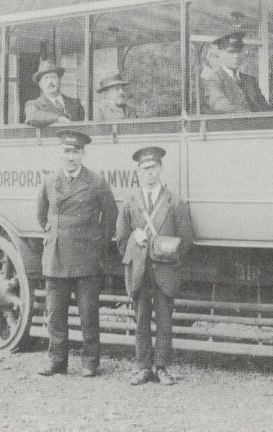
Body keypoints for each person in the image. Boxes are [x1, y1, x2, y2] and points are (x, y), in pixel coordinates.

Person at [36, 129, 118, 377]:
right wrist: (53, 233)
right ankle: (56, 360)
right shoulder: (50, 181)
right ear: (61, 153)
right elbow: (41, 215)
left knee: (88, 314)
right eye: (67, 151)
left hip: (86, 258)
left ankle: (90, 362)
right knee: (55, 315)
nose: (71, 157)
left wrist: (97, 243)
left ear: (83, 154)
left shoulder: (96, 182)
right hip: (56, 257)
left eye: (76, 152)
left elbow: (111, 215)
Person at [116, 146, 194, 385]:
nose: (149, 173)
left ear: (160, 168)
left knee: (164, 320)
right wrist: (134, 240)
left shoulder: (175, 202)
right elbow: (120, 238)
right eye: (144, 169)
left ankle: (162, 367)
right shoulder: (130, 202)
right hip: (140, 270)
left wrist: (167, 253)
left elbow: (186, 239)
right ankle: (142, 367)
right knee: (140, 319)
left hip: (165, 270)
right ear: (138, 171)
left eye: (153, 168)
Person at [201, 31, 273, 114]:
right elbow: (219, 104)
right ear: (221, 53)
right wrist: (249, 115)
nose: (236, 56)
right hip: (230, 125)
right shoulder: (213, 79)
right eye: (231, 52)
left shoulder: (250, 80)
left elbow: (265, 107)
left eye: (239, 51)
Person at [25, 60, 85, 127]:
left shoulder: (75, 103)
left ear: (59, 80)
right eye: (46, 78)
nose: (50, 82)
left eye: (53, 77)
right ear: (40, 84)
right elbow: (31, 116)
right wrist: (58, 118)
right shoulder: (34, 104)